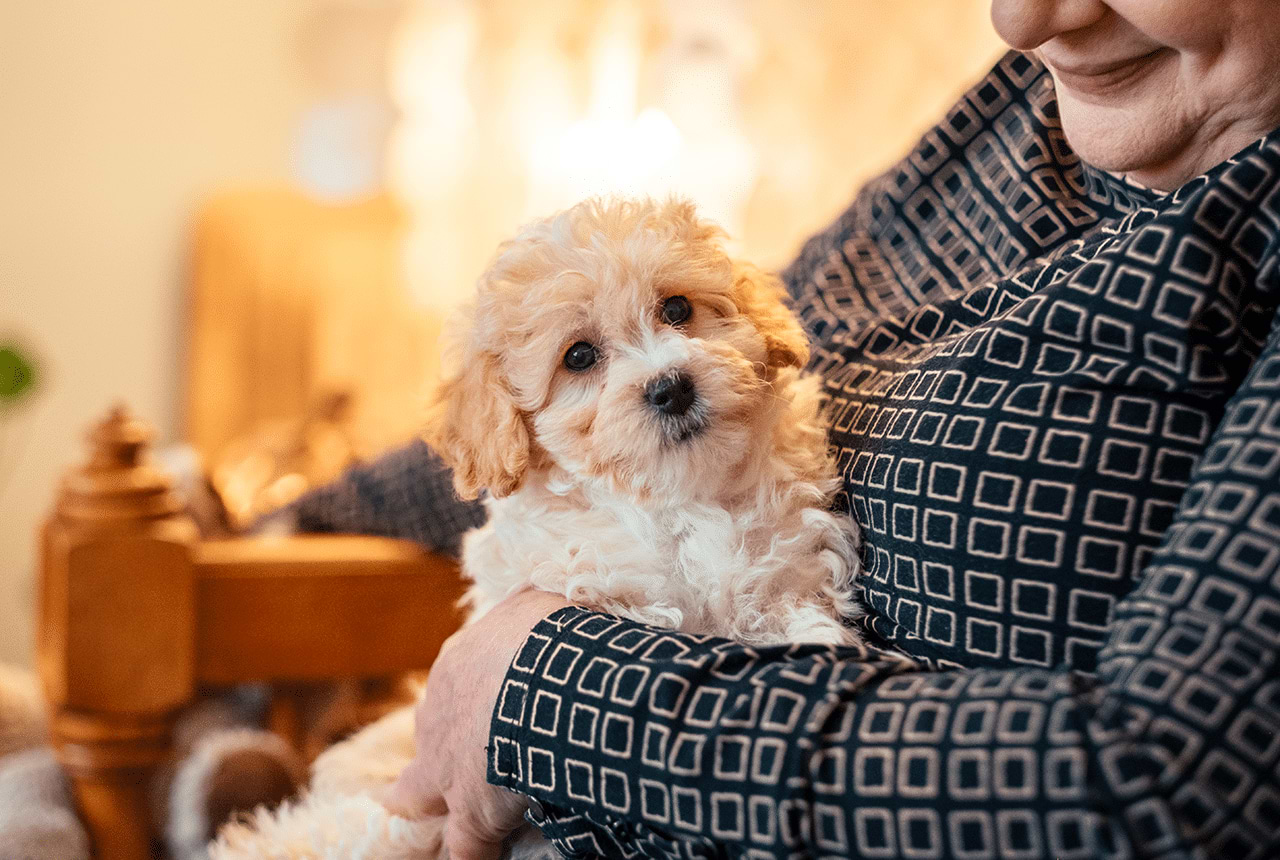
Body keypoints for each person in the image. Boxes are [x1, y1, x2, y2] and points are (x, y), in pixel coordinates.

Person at [287, 2, 1280, 857]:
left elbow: (1166, 792)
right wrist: (302, 518)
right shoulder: (1037, 101)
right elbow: (775, 309)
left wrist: (545, 687)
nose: (1020, 21)